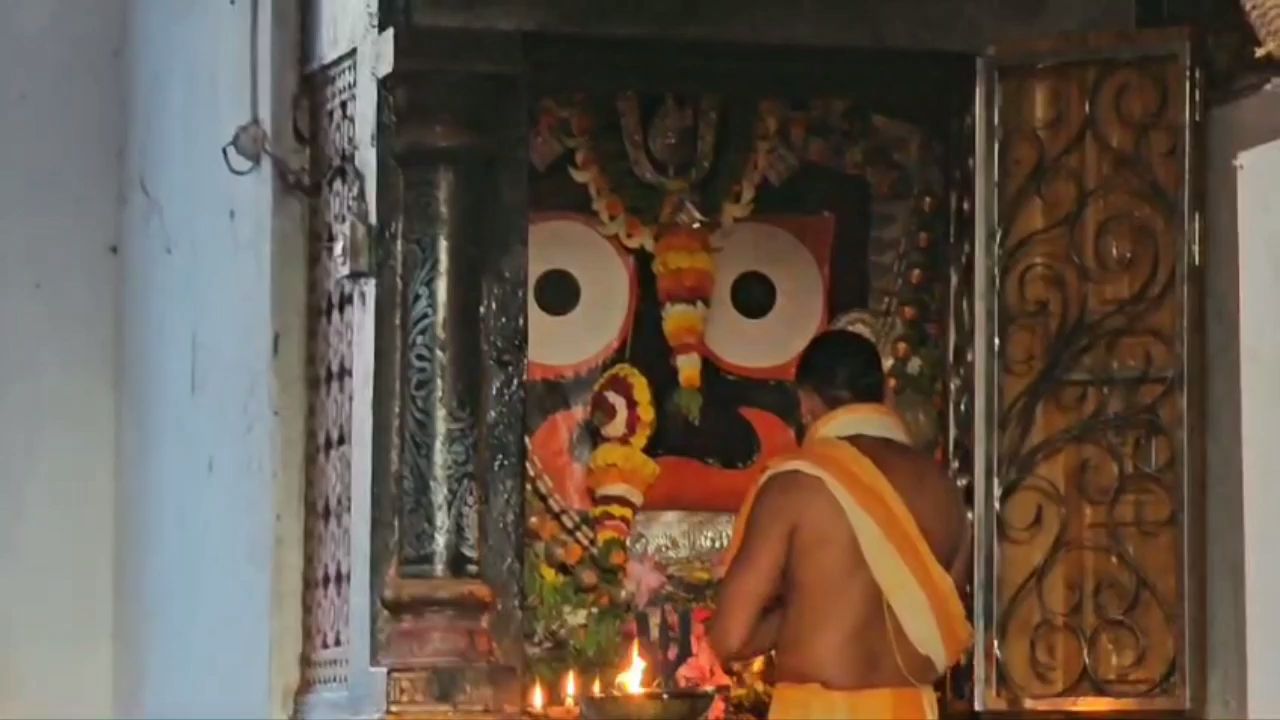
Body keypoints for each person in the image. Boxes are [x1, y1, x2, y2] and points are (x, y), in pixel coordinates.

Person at [708, 330, 972, 720]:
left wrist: (798, 607)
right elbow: (947, 629)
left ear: (806, 403)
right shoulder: (942, 489)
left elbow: (729, 636)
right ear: (886, 394)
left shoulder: (795, 484)